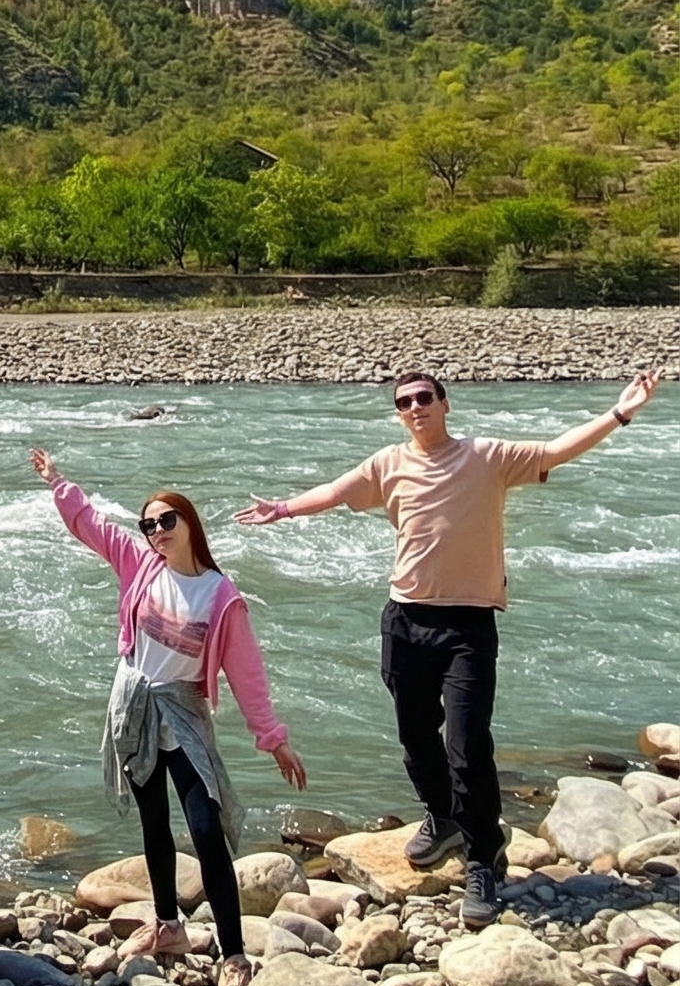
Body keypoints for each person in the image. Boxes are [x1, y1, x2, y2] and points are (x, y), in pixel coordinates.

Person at [236, 367, 663, 930]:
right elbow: (338, 491)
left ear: (445, 404)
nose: (414, 408)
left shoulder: (487, 456)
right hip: (405, 620)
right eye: (404, 402)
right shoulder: (389, 464)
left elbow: (558, 450)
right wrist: (283, 509)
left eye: (423, 398)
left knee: (466, 743)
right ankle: (443, 819)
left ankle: (484, 857)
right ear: (398, 413)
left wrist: (620, 411)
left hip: (468, 625)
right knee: (416, 737)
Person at [31, 448, 306, 986]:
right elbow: (93, 527)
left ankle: (233, 955)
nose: (155, 531)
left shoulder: (220, 596)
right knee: (153, 821)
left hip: (182, 711)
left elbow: (246, 674)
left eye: (166, 521)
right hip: (133, 703)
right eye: (148, 523)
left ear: (189, 525)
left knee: (206, 828)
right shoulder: (139, 564)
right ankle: (168, 926)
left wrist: (273, 738)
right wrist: (59, 484)